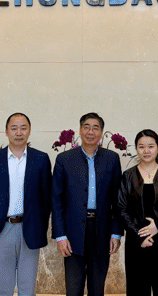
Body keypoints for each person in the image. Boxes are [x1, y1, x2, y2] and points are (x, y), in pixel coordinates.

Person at [0, 113, 52, 296]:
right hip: (1, 229)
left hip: (30, 229)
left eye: (23, 128)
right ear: (6, 131)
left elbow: (47, 196)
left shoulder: (40, 159)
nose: (19, 132)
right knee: (3, 288)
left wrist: (40, 225)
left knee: (27, 289)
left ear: (29, 130)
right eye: (14, 128)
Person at [51, 112, 123, 296]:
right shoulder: (64, 159)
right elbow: (56, 200)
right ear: (80, 130)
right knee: (73, 289)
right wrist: (60, 235)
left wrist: (115, 233)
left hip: (102, 231)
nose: (90, 132)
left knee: (97, 289)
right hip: (73, 232)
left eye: (95, 128)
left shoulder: (111, 159)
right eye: (86, 127)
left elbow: (117, 200)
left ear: (101, 132)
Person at [117, 129, 158, 296]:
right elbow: (121, 208)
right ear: (136, 148)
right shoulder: (128, 176)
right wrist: (139, 234)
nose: (146, 151)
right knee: (137, 289)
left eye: (150, 146)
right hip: (136, 241)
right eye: (141, 147)